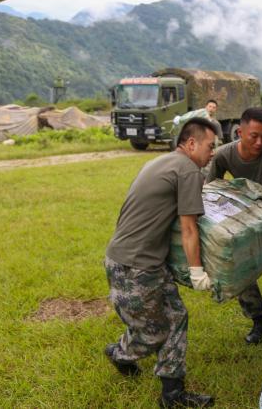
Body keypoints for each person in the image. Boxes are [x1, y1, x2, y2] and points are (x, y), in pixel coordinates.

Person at [104, 117, 218, 408]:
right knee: (155, 332)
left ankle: (172, 395)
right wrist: (197, 272)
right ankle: (119, 353)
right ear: (191, 144)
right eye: (210, 146)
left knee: (176, 316)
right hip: (136, 266)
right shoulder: (188, 170)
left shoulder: (164, 161)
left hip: (136, 260)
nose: (213, 153)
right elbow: (189, 227)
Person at [206, 107, 262, 344]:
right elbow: (209, 191)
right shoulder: (224, 155)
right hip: (244, 226)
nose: (260, 142)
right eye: (254, 135)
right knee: (242, 276)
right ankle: (258, 321)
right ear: (239, 132)